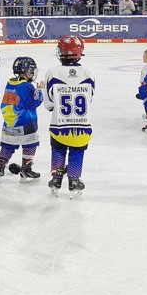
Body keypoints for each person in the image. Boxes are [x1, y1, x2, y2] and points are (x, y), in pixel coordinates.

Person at [44, 35, 94, 197]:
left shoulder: (52, 73)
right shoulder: (88, 73)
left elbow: (49, 104)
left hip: (58, 127)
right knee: (77, 151)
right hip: (82, 128)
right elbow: (89, 99)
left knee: (58, 150)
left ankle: (56, 178)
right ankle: (74, 180)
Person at [0, 56, 44, 180]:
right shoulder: (27, 86)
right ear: (25, 71)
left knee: (7, 145)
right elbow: (35, 103)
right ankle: (26, 170)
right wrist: (39, 90)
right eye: (30, 71)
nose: (32, 73)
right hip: (26, 125)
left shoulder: (10, 83)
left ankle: (0, 166)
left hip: (8, 124)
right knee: (30, 144)